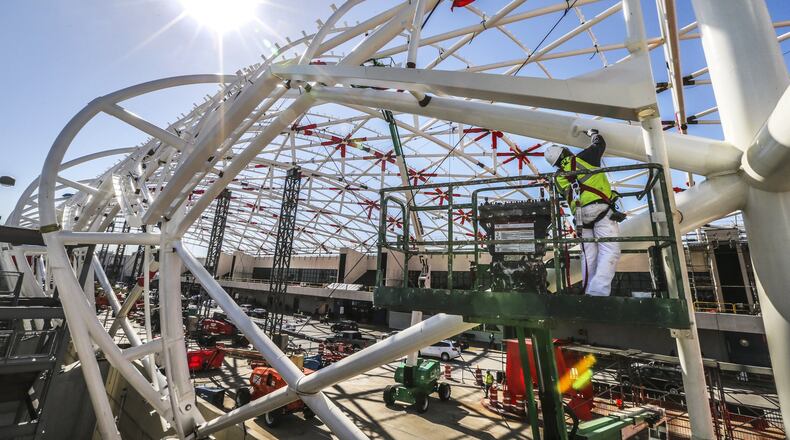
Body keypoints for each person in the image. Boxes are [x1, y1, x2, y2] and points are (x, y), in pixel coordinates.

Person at [544, 129, 624, 296]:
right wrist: (592, 133)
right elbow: (599, 144)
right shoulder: (583, 158)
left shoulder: (557, 177)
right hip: (600, 209)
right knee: (610, 251)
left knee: (589, 254)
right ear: (565, 151)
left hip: (580, 216)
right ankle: (598, 292)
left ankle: (588, 290)